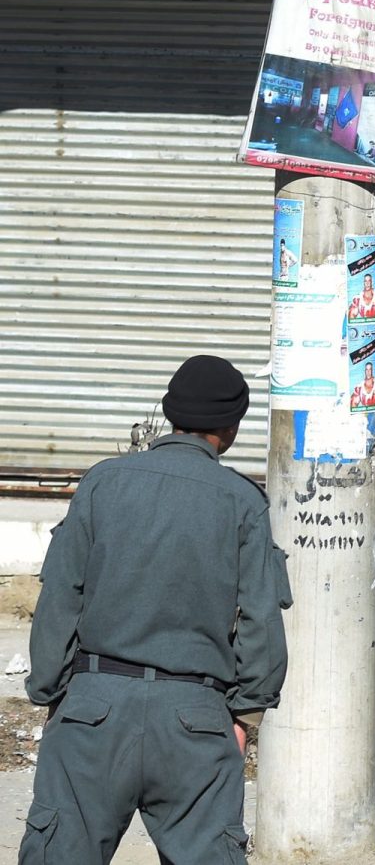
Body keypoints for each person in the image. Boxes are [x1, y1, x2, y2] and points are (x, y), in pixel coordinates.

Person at [18, 355, 290, 865]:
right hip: (197, 718)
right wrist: (245, 715)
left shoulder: (102, 483)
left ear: (170, 413)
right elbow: (261, 622)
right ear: (231, 427)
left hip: (93, 708)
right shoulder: (242, 502)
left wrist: (52, 694)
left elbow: (60, 596)